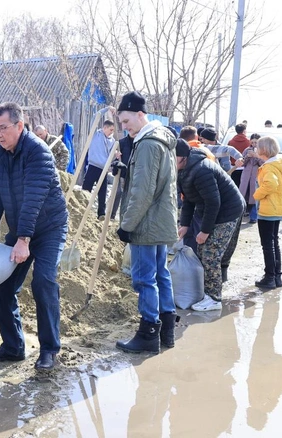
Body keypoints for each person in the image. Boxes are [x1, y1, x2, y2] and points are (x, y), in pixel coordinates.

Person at [0, 102, 68, 370]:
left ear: (19, 125)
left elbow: (33, 198)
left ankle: (49, 350)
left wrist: (23, 240)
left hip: (49, 228)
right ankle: (13, 346)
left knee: (43, 282)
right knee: (3, 284)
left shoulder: (38, 152)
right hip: (20, 230)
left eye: (3, 128)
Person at [114, 91, 178, 354]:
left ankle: (149, 332)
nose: (124, 127)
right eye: (121, 122)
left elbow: (142, 192)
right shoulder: (159, 139)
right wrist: (127, 170)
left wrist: (127, 226)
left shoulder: (149, 144)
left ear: (141, 115)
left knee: (144, 278)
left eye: (127, 121)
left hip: (146, 223)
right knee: (161, 274)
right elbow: (153, 180)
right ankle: (167, 330)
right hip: (160, 220)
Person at [176, 140, 245, 311]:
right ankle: (213, 286)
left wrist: (205, 231)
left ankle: (214, 298)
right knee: (207, 251)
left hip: (228, 210)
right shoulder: (184, 170)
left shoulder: (201, 170)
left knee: (209, 253)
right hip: (217, 207)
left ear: (182, 157)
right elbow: (189, 200)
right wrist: (185, 224)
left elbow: (213, 202)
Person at [252, 136, 282, 289]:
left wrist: (256, 195)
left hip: (268, 210)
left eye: (257, 147)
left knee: (267, 244)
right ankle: (277, 276)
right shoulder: (281, 163)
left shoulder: (269, 167)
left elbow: (271, 184)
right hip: (277, 209)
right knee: (274, 241)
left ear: (263, 150)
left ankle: (270, 277)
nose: (255, 149)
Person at [81, 120, 116, 220]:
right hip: (93, 166)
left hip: (103, 169)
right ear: (104, 128)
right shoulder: (96, 135)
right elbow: (95, 118)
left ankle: (101, 213)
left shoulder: (112, 141)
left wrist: (115, 155)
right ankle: (83, 208)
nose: (111, 132)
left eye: (113, 130)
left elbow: (111, 155)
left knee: (102, 192)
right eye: (110, 129)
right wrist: (107, 109)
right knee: (86, 189)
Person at [239, 134, 264, 224]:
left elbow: (264, 164)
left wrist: (256, 156)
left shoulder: (262, 151)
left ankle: (253, 217)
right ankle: (240, 216)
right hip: (246, 177)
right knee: (243, 196)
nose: (253, 144)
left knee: (254, 197)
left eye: (255, 142)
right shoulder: (246, 150)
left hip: (256, 177)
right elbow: (242, 163)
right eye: (252, 142)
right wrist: (247, 157)